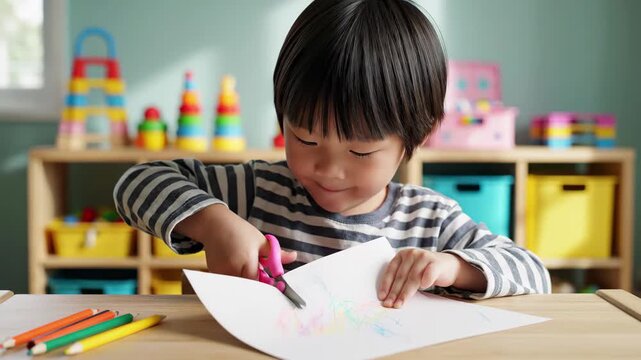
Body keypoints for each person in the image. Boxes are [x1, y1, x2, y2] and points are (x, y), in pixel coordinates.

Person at [114, 0, 550, 308]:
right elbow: (135, 183)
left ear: (420, 134)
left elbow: (534, 274)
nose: (329, 170)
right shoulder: (253, 192)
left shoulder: (429, 221)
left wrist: (453, 267)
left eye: (360, 150)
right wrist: (213, 223)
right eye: (305, 140)